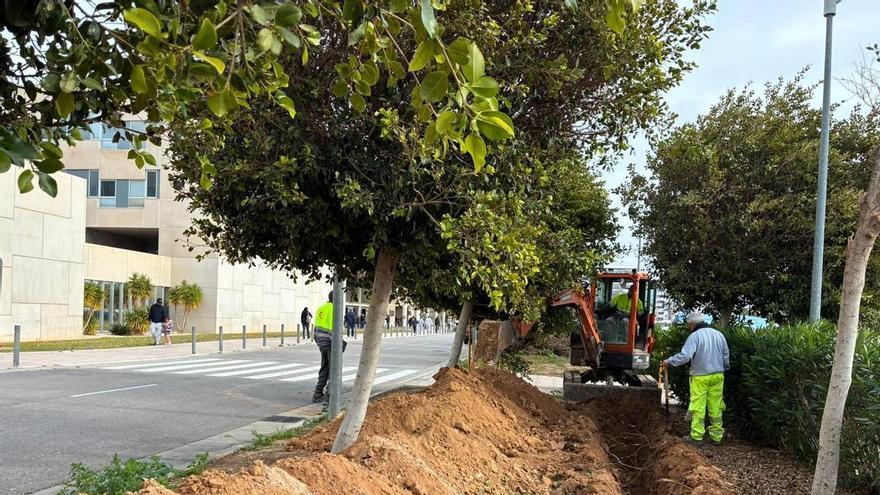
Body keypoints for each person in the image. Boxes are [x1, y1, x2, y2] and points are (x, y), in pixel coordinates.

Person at [661, 311, 730, 445]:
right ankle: (716, 437)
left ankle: (697, 437)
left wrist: (669, 361)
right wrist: (723, 369)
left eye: (689, 325)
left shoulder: (694, 336)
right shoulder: (719, 335)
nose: (689, 328)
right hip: (718, 375)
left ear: (692, 324)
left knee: (698, 406)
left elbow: (685, 356)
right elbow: (725, 356)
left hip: (700, 376)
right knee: (716, 406)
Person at [312, 292, 346, 403]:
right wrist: (339, 345)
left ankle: (318, 393)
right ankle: (329, 396)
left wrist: (320, 343)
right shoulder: (335, 310)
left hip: (322, 343)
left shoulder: (321, 309)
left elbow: (316, 329)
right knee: (333, 370)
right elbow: (334, 331)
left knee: (325, 367)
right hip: (331, 344)